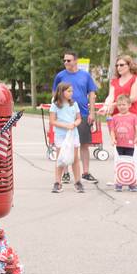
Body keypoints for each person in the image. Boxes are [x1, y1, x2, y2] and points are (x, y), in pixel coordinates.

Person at [52, 51, 99, 184]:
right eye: (64, 60)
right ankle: (65, 172)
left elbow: (91, 93)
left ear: (76, 61)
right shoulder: (60, 76)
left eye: (69, 60)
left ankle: (85, 172)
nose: (66, 62)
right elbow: (54, 93)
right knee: (65, 144)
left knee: (83, 144)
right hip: (64, 115)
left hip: (82, 113)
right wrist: (55, 110)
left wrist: (92, 112)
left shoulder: (85, 75)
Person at [100, 55, 137, 185]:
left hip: (133, 115)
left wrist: (114, 104)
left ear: (129, 65)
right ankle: (120, 177)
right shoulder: (114, 81)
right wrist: (106, 106)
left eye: (122, 65)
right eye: (117, 65)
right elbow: (110, 96)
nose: (118, 67)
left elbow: (132, 98)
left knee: (135, 146)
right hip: (117, 117)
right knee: (118, 146)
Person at [49, 83, 83, 194]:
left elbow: (78, 118)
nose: (71, 93)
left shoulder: (74, 104)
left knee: (75, 158)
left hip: (73, 135)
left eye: (71, 91)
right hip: (60, 135)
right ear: (61, 92)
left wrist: (75, 124)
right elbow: (52, 121)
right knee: (60, 159)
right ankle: (58, 182)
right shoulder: (55, 105)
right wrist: (66, 126)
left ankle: (78, 182)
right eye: (68, 91)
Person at [108, 94, 137, 192]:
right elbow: (112, 130)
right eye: (119, 105)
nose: (121, 107)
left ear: (129, 105)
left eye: (124, 104)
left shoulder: (133, 117)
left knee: (130, 163)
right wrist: (113, 139)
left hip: (130, 144)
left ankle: (132, 183)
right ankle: (119, 182)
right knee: (119, 163)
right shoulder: (114, 117)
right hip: (119, 145)